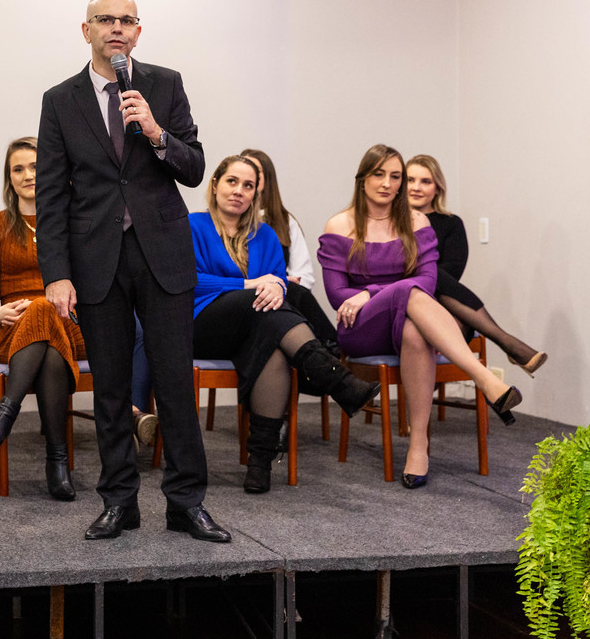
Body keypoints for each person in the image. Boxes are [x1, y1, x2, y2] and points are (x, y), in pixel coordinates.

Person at [36, 0, 229, 542]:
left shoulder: (164, 85)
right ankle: (119, 501)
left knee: (175, 383)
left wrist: (156, 132)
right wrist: (57, 273)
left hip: (163, 255)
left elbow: (194, 168)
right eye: (105, 19)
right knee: (111, 389)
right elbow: (51, 194)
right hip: (96, 260)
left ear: (138, 32)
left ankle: (186, 502)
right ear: (87, 30)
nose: (116, 28)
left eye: (126, 20)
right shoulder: (60, 100)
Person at [318, 144, 524, 489]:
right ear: (363, 178)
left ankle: (418, 447)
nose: (387, 183)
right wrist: (371, 294)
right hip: (362, 327)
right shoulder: (340, 224)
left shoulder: (416, 221)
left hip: (407, 321)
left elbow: (429, 280)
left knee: (416, 331)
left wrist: (372, 289)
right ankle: (484, 379)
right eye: (379, 174)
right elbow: (337, 294)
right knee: (409, 291)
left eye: (395, 176)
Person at [189, 156, 380, 492]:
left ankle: (260, 464)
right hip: (203, 325)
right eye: (232, 181)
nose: (239, 191)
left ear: (256, 194)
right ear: (215, 184)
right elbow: (187, 281)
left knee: (275, 348)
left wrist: (276, 285)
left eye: (248, 185)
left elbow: (277, 281)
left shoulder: (264, 234)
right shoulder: (192, 225)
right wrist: (251, 284)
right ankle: (333, 376)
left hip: (253, 329)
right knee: (261, 303)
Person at [0, 137, 83, 501]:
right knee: (42, 321)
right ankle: (57, 461)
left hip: (70, 325)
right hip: (12, 332)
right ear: (9, 178)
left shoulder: (71, 223)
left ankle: (6, 412)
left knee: (43, 307)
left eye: (35, 166)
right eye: (18, 169)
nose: (28, 175)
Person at [405, 154, 546, 375]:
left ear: (438, 187)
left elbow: (453, 269)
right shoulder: (391, 222)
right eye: (410, 180)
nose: (416, 187)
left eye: (425, 181)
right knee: (429, 273)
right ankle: (506, 342)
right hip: (403, 299)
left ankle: (487, 386)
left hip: (439, 299)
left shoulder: (451, 223)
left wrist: (423, 276)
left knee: (440, 290)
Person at [241, 148, 338, 346]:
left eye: (255, 172)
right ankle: (331, 347)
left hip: (283, 295)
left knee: (296, 291)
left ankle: (331, 347)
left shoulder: (285, 222)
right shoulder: (230, 222)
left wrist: (282, 284)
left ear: (266, 179)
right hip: (246, 293)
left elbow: (304, 275)